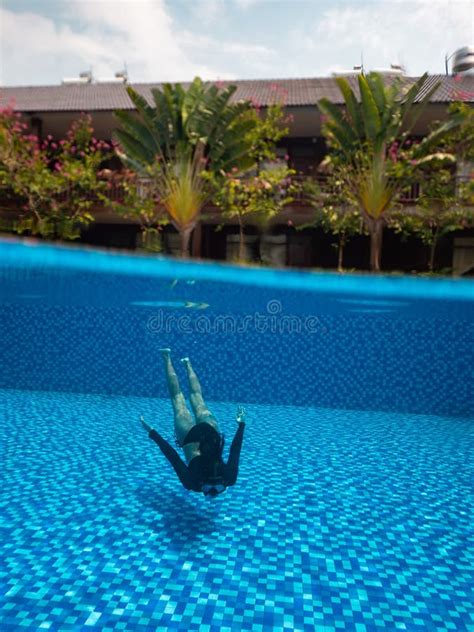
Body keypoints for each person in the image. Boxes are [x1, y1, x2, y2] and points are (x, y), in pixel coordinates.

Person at [140, 349, 245, 498]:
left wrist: (241, 424)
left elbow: (235, 450)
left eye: (210, 489)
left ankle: (187, 364)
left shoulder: (229, 478)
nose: (213, 492)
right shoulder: (192, 483)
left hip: (211, 432)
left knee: (197, 398)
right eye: (218, 489)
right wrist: (152, 432)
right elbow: (172, 455)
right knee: (177, 399)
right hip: (189, 438)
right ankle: (166, 356)